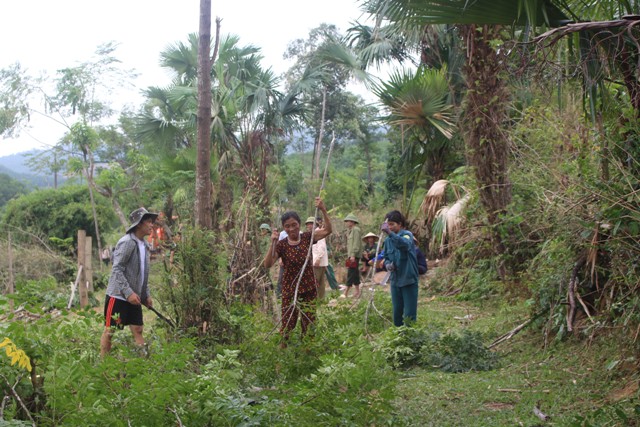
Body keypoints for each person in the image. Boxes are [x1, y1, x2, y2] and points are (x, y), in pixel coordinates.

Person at [263, 198, 332, 346]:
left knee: (309, 323)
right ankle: (282, 354)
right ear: (283, 228)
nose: (291, 229)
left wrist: (323, 210)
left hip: (308, 288)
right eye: (287, 226)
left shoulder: (308, 237)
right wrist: (272, 243)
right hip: (289, 289)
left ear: (299, 224)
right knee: (288, 324)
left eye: (294, 225)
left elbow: (328, 230)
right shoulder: (281, 245)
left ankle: (307, 353)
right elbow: (267, 264)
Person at [101, 207, 158, 357]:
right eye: (149, 222)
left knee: (138, 329)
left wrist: (146, 295)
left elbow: (143, 273)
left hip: (134, 298)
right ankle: (103, 365)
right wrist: (128, 293)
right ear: (139, 224)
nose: (152, 225)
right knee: (110, 331)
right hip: (119, 295)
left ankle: (143, 363)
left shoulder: (145, 246)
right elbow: (117, 269)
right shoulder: (127, 242)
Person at [381, 210, 419, 327]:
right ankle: (398, 337)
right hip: (395, 281)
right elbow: (386, 257)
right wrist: (387, 264)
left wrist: (390, 233)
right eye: (389, 225)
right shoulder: (387, 241)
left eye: (393, 224)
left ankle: (410, 338)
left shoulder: (407, 235)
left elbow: (405, 245)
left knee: (409, 314)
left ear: (400, 224)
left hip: (408, 279)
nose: (390, 227)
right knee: (397, 312)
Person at [305, 216, 328, 300]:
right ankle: (320, 299)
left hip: (317, 262)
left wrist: (318, 258)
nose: (309, 226)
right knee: (320, 282)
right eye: (308, 224)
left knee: (315, 281)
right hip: (319, 262)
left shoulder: (318, 232)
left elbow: (321, 247)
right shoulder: (313, 234)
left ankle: (316, 299)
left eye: (311, 224)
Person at [343, 213, 363, 298]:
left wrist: (353, 255)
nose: (346, 223)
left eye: (347, 221)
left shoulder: (356, 230)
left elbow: (356, 243)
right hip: (351, 255)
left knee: (351, 273)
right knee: (354, 273)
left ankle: (345, 292)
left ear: (352, 222)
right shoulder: (350, 231)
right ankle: (357, 291)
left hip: (354, 255)